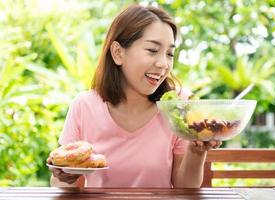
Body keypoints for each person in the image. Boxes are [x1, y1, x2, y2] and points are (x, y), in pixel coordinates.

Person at [49, 4, 221, 188]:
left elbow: (185, 189)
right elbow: (62, 186)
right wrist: (64, 176)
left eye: (170, 53)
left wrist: (196, 151)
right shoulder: (85, 105)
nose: (164, 64)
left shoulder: (180, 106)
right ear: (118, 53)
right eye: (152, 50)